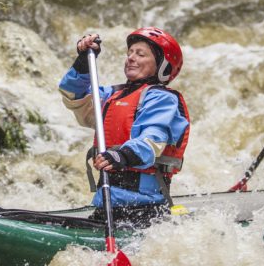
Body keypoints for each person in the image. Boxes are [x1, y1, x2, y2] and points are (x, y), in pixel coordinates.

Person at [59, 27, 191, 223]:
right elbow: (73, 94)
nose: (131, 58)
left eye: (140, 54)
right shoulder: (112, 96)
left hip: (145, 208)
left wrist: (121, 155)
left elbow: (152, 141)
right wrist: (83, 64)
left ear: (162, 66)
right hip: (107, 202)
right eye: (129, 53)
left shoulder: (163, 100)